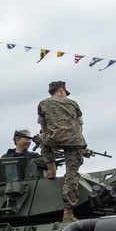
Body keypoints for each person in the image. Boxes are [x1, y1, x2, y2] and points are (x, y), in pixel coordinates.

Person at [38, 80, 87, 223]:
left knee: (42, 138)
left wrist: (52, 136)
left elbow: (44, 128)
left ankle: (51, 168)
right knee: (72, 175)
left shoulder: (43, 104)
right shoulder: (73, 103)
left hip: (54, 138)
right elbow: (80, 128)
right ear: (61, 90)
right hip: (75, 141)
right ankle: (68, 213)